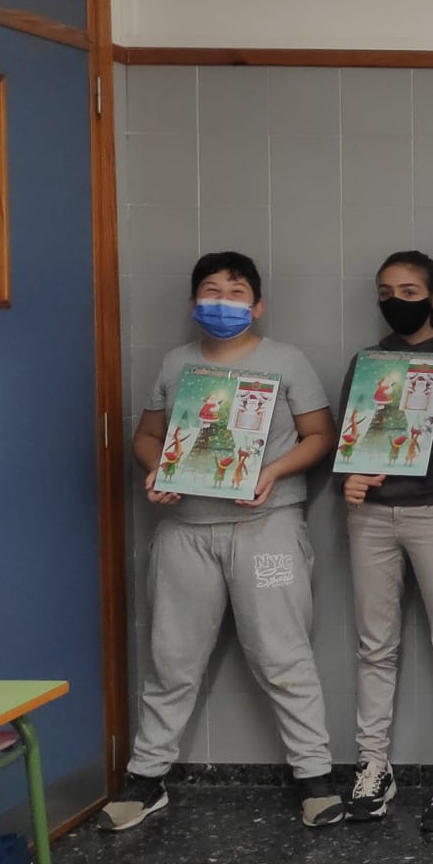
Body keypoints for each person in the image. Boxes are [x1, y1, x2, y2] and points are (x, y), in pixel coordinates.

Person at [101, 252, 344, 831]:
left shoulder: (285, 360)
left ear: (257, 306)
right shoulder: (176, 363)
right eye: (210, 291)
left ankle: (314, 778)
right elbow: (147, 436)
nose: (222, 302)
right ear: (192, 303)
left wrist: (272, 472)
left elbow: (320, 435)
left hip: (267, 528)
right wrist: (157, 470)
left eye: (236, 293)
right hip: (185, 531)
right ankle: (146, 779)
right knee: (172, 658)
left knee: (284, 656)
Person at [340, 251, 433, 832]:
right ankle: (372, 766)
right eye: (386, 292)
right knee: (375, 645)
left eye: (409, 290)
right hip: (370, 516)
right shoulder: (368, 361)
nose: (396, 300)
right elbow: (349, 440)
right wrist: (347, 477)